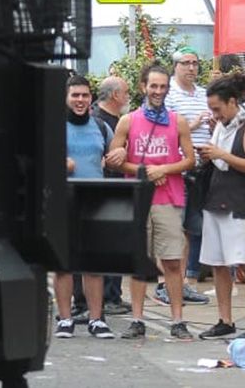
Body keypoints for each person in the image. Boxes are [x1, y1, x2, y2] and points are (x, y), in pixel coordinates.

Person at [104, 65, 196, 340]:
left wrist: (164, 170)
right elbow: (114, 160)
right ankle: (137, 319)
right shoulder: (127, 121)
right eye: (153, 86)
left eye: (163, 87)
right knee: (139, 262)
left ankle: (178, 320)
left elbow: (190, 160)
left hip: (169, 197)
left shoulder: (177, 121)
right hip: (137, 198)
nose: (158, 91)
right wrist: (145, 171)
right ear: (143, 87)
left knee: (171, 262)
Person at [197, 73, 245, 340]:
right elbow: (218, 159)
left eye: (217, 108)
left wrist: (221, 155)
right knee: (217, 263)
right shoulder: (220, 126)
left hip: (240, 201)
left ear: (231, 101)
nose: (215, 113)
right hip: (215, 197)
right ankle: (224, 319)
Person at [55, 76, 116, 339]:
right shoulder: (53, 128)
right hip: (63, 201)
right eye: (75, 95)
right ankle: (65, 320)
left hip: (95, 201)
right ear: (66, 98)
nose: (80, 100)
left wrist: (119, 156)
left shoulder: (101, 127)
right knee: (63, 264)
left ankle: (96, 319)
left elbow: (115, 159)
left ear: (91, 98)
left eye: (84, 95)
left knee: (93, 264)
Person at [166, 47, 214, 296]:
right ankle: (176, 282)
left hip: (205, 167)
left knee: (198, 224)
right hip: (180, 169)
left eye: (195, 63)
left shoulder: (204, 94)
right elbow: (167, 129)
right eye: (186, 63)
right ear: (175, 66)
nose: (192, 68)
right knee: (180, 226)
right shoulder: (169, 94)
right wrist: (192, 125)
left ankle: (190, 278)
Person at [92, 74, 132, 314]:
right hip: (105, 188)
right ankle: (106, 297)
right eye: (126, 92)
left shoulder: (120, 120)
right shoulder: (97, 121)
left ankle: (113, 295)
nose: (128, 97)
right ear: (116, 95)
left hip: (121, 187)